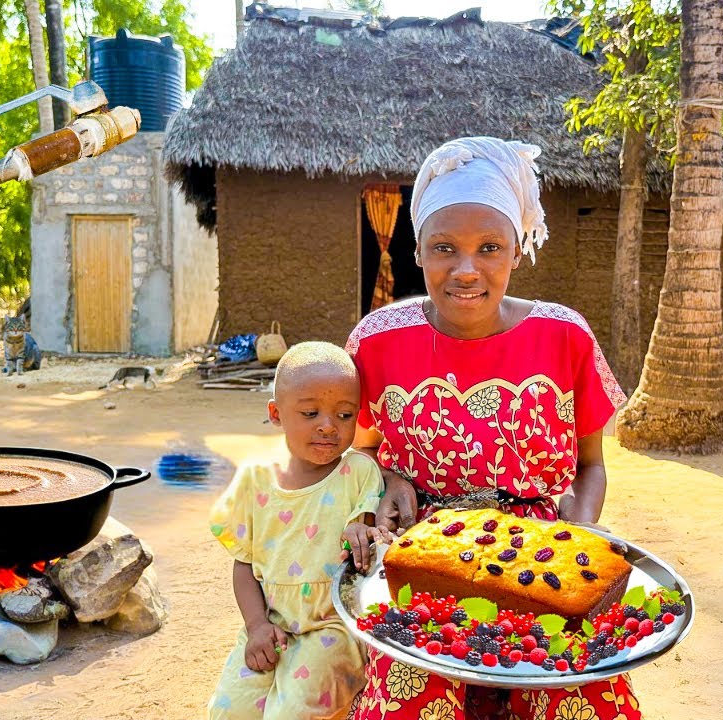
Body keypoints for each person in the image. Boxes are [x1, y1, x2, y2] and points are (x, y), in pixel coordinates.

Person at [346, 137, 638, 719]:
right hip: (421, 555)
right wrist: (389, 484)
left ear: (517, 250)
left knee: (585, 701)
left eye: (490, 248)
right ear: (419, 251)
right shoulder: (377, 341)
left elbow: (590, 465)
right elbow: (358, 456)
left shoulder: (565, 336)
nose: (466, 269)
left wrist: (574, 538)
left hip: (541, 553)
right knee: (411, 700)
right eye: (444, 248)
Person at [207, 342, 388, 720]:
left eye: (344, 414)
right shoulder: (255, 479)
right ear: (276, 413)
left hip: (333, 628)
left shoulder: (357, 473)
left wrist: (362, 529)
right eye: (310, 413)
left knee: (292, 712)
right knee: (228, 711)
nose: (328, 425)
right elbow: (244, 564)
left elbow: (366, 526)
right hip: (269, 623)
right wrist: (255, 626)